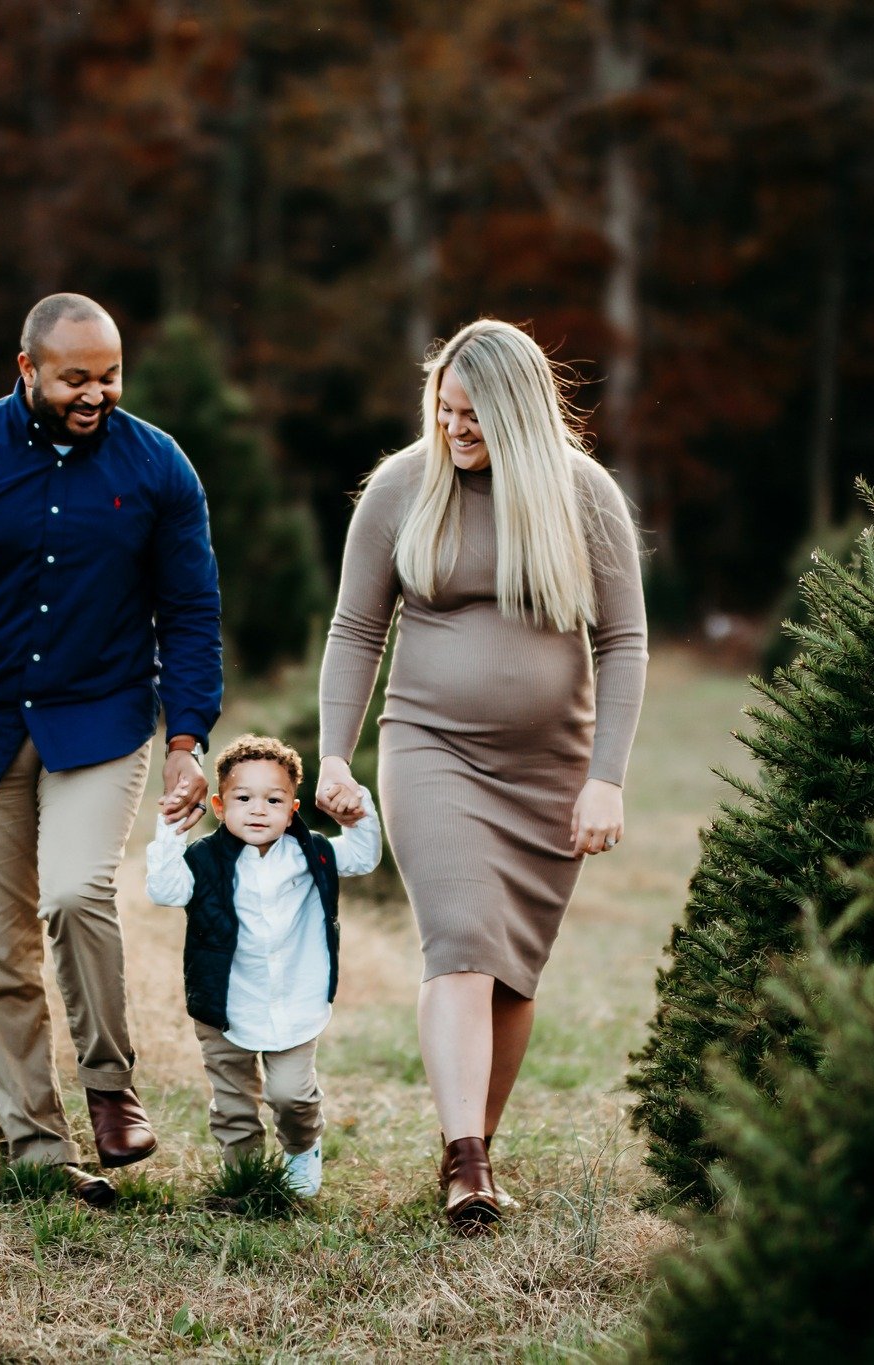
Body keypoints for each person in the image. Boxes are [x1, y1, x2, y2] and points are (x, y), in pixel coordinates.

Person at [0, 293, 223, 1207]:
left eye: (109, 375)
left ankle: (110, 1086)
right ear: (26, 369)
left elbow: (190, 612)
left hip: (100, 721)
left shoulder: (158, 467)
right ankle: (37, 1148)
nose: (95, 394)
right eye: (74, 378)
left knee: (73, 890)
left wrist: (187, 738)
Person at [315, 318, 648, 1234]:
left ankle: (474, 1150)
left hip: (551, 767)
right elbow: (355, 629)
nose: (454, 429)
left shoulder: (583, 495)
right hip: (432, 750)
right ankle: (467, 1161)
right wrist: (336, 752)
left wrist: (607, 777)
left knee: (511, 971)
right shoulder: (401, 486)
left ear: (519, 412)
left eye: (473, 416)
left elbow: (623, 641)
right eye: (444, 409)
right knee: (461, 939)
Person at [143, 734, 381, 1198]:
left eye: (273, 800)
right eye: (243, 798)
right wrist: (170, 829)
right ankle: (245, 1178)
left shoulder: (312, 854)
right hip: (223, 1004)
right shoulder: (203, 859)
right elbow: (165, 891)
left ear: (292, 810)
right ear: (218, 805)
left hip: (295, 1001)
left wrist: (357, 815)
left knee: (292, 1095)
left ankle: (301, 1148)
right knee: (233, 1105)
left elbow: (362, 858)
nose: (258, 810)